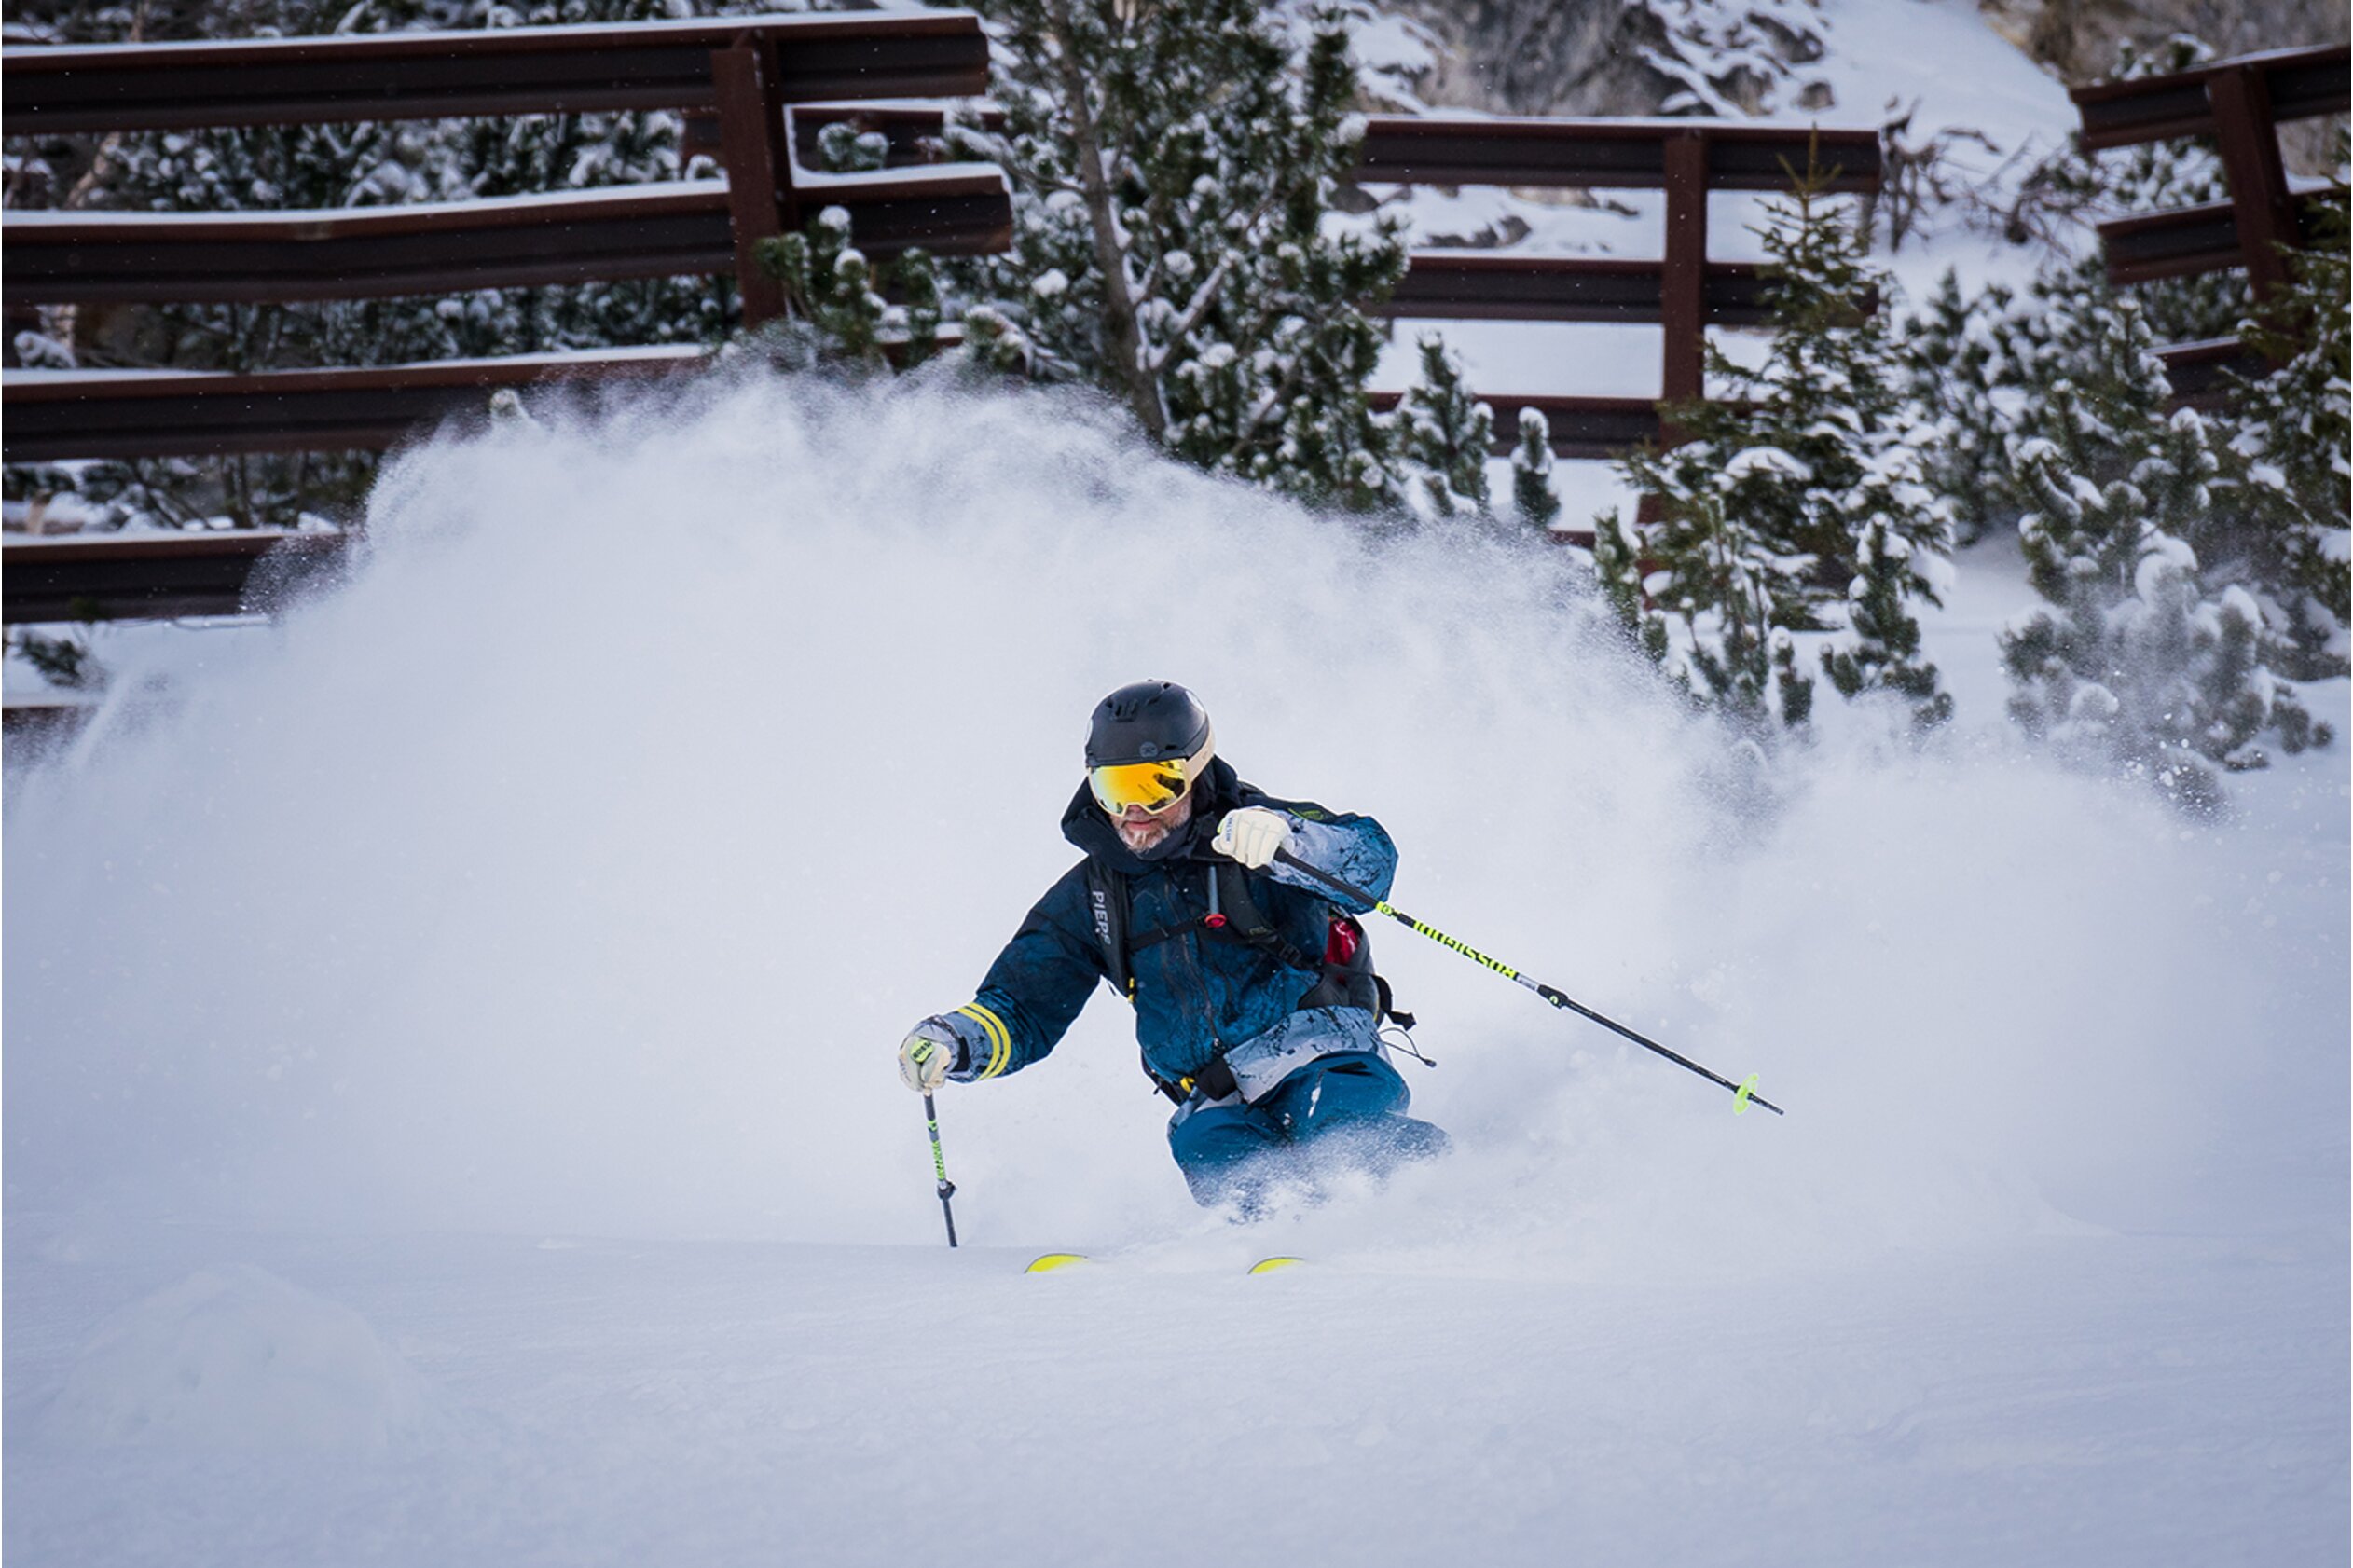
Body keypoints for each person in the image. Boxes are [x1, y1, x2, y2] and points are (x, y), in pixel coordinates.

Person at [897, 680, 1448, 1211]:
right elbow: (1024, 1004)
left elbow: (1371, 862)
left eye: (1155, 787)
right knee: (1230, 1170)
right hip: (1215, 1098)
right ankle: (1280, 1254)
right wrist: (956, 1039)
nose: (1134, 813)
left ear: (1196, 771)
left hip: (1322, 1054)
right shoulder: (1094, 894)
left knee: (1345, 1136)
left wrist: (1293, 842)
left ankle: (1439, 1209)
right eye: (1114, 790)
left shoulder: (1259, 832)